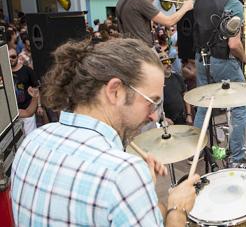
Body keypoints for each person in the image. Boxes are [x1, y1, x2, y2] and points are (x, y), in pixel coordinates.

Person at [11, 38, 198, 226]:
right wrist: (177, 210)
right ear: (115, 91)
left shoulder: (31, 142)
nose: (153, 116)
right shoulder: (122, 173)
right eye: (151, 102)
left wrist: (142, 190)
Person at [192, 0, 246, 167]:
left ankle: (196, 151)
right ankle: (237, 158)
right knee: (240, 108)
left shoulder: (200, 0)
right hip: (224, 61)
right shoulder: (234, 3)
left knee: (204, 106)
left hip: (201, 59)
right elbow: (234, 43)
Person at [9, 47, 39, 136]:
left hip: (27, 110)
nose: (10, 59)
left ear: (18, 57)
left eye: (13, 56)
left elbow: (36, 88)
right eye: (8, 57)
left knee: (31, 137)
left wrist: (39, 105)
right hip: (13, 114)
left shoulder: (27, 70)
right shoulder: (4, 73)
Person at [159, 52, 191, 125]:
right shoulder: (157, 82)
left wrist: (189, 115)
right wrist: (163, 118)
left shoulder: (177, 77)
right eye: (165, 62)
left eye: (169, 61)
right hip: (167, 122)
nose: (169, 64)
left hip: (182, 118)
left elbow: (186, 96)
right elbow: (154, 106)